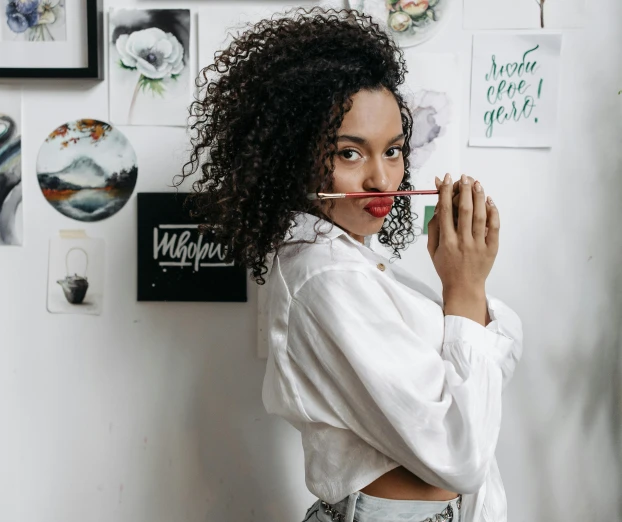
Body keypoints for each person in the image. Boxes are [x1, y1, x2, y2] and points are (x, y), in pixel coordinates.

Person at [176, 7, 523, 522]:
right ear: (294, 157)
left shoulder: (351, 260)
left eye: (394, 151)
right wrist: (465, 286)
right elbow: (461, 456)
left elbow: (503, 349)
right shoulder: (325, 276)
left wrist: (466, 290)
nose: (383, 180)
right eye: (350, 153)